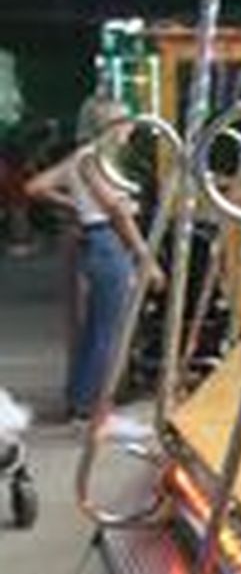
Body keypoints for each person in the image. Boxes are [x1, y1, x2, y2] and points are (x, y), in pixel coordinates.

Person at [25, 96, 164, 425]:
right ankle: (93, 410)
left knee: (97, 329)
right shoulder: (95, 161)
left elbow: (36, 187)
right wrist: (145, 257)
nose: (130, 126)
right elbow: (116, 210)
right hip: (109, 241)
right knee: (110, 332)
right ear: (109, 127)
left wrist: (76, 207)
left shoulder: (84, 158)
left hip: (98, 238)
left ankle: (81, 401)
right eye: (124, 120)